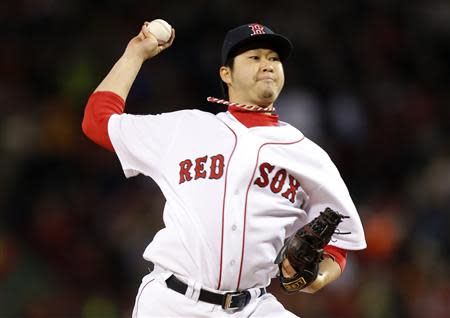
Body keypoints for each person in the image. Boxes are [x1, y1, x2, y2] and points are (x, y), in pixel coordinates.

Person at [82, 21, 366, 318]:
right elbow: (97, 120)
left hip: (252, 306)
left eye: (273, 58)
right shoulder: (185, 128)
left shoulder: (307, 154)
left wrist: (315, 278)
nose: (267, 65)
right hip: (172, 302)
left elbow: (339, 242)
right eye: (254, 57)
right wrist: (134, 54)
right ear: (226, 73)